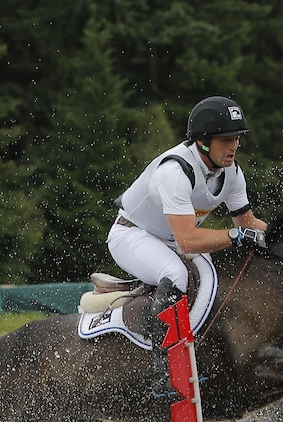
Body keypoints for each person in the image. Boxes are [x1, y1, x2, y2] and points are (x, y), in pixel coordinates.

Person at [107, 96, 269, 392]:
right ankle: (162, 372)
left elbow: (246, 223)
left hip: (169, 239)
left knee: (218, 274)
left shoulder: (231, 172)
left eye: (236, 139)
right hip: (130, 235)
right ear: (203, 141)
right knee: (176, 275)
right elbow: (188, 241)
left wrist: (282, 237)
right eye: (225, 140)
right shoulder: (175, 171)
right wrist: (234, 237)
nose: (233, 146)